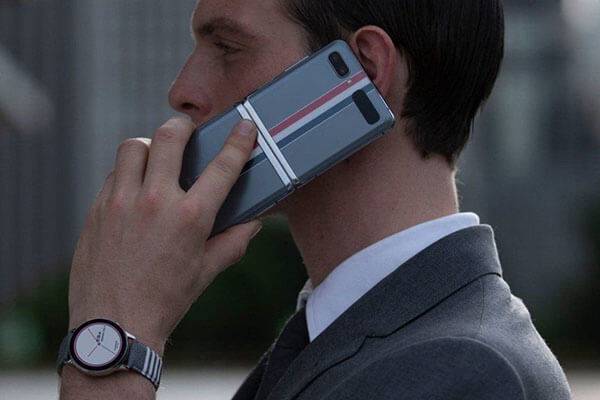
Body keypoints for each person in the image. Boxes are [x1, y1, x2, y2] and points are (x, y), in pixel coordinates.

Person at [58, 0, 572, 399]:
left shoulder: (462, 372)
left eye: (228, 47)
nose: (182, 90)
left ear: (364, 70)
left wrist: (113, 334)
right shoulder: (351, 344)